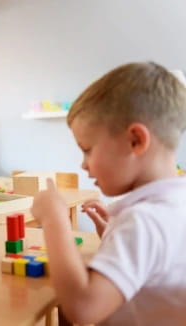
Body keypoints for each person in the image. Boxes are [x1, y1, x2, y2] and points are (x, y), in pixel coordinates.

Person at [30, 62, 186, 325]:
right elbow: (159, 263)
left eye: (87, 149)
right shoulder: (174, 203)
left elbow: (83, 308)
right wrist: (113, 236)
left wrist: (54, 220)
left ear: (135, 140)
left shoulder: (143, 221)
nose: (83, 164)